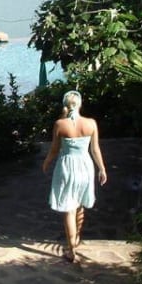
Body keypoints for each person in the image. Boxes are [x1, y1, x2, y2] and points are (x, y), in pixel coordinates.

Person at [42, 90, 108, 262]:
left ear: (65, 104)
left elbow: (54, 149)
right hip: (85, 166)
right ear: (80, 104)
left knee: (69, 209)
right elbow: (95, 149)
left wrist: (46, 162)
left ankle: (72, 250)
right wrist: (102, 168)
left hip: (66, 167)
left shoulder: (59, 124)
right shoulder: (91, 123)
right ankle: (75, 240)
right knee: (80, 205)